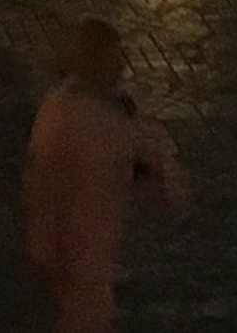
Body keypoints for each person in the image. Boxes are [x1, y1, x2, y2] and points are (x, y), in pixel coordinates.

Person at [22, 19, 188, 333]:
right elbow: (152, 171)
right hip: (82, 244)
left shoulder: (65, 109)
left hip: (74, 241)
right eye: (115, 57)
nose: (122, 66)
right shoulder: (90, 118)